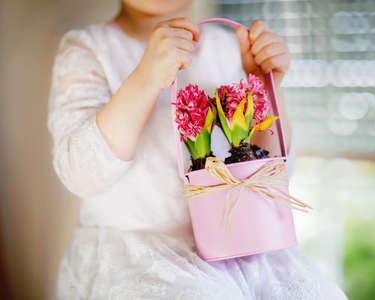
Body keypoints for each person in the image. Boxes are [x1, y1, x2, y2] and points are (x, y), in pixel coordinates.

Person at [48, 0, 348, 299]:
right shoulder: (87, 50)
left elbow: (268, 177)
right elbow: (82, 174)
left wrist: (265, 87)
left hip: (238, 244)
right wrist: (147, 76)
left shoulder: (229, 47)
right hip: (138, 257)